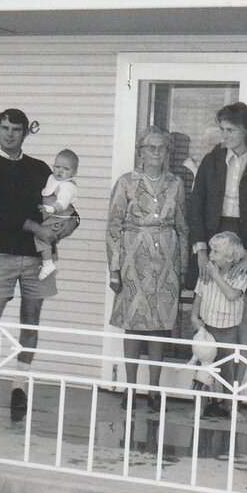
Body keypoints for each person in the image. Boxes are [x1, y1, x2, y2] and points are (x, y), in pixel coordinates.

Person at [0, 109, 79, 425]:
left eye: (16, 129)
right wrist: (38, 229)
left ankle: (20, 387)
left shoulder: (40, 169)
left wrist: (69, 225)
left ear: (26, 133)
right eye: (4, 128)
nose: (9, 134)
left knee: (31, 320)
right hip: (1, 255)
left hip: (38, 258)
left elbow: (66, 205)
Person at [187, 102, 247, 389]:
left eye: (230, 130)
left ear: (246, 132)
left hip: (245, 244)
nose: (223, 135)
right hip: (214, 241)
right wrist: (201, 251)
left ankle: (233, 392)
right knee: (207, 321)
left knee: (240, 323)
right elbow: (196, 206)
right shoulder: (211, 162)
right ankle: (207, 387)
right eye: (222, 129)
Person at [107, 127, 188, 411]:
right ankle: (130, 388)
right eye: (151, 148)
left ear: (168, 153)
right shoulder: (126, 182)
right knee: (133, 324)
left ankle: (153, 391)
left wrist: (183, 267)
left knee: (160, 326)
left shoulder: (176, 184)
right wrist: (115, 269)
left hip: (166, 258)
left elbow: (182, 226)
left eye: (162, 148)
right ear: (140, 151)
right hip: (133, 259)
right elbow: (113, 227)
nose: (156, 153)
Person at [189, 231, 247, 418]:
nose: (211, 255)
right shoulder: (205, 276)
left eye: (216, 252)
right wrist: (194, 317)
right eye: (211, 250)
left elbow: (232, 295)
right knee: (203, 370)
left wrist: (216, 277)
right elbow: (198, 299)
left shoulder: (240, 278)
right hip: (208, 330)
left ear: (230, 257)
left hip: (228, 331)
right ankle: (200, 405)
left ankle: (231, 406)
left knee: (227, 371)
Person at [37, 149, 79, 280]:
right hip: (54, 218)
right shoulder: (52, 179)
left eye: (65, 169)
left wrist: (51, 209)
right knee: (46, 237)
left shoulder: (66, 186)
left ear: (74, 173)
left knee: (41, 236)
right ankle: (47, 262)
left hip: (59, 216)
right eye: (57, 167)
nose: (60, 171)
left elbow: (62, 203)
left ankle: (47, 264)